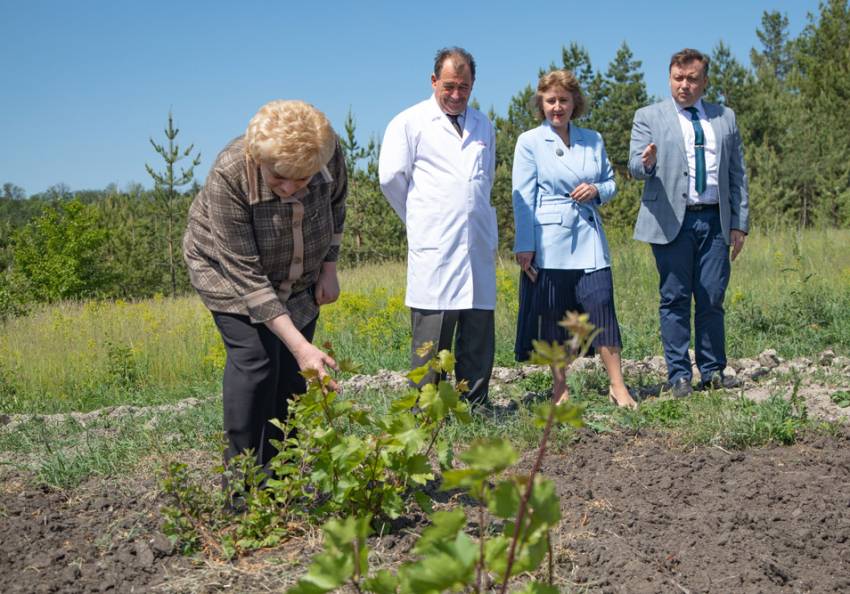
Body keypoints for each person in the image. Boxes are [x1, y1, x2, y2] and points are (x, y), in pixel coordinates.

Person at [183, 99, 347, 472]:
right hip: (229, 273)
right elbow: (247, 277)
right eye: (278, 178)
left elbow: (337, 205)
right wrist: (302, 348)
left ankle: (280, 481)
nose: (289, 188)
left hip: (299, 273)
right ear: (259, 160)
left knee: (290, 376)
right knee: (257, 364)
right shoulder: (230, 173)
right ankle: (243, 487)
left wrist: (329, 268)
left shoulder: (329, 152)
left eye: (302, 179)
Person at [379, 47, 498, 408]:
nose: (457, 95)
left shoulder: (483, 125)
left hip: (476, 244)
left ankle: (475, 408)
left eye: (464, 87)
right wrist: (421, 218)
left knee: (478, 337)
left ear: (473, 85)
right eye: (449, 86)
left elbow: (485, 180)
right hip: (435, 248)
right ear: (433, 81)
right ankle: (427, 414)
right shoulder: (408, 122)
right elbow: (390, 179)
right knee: (432, 341)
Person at [512, 69, 637, 409]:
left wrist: (597, 189)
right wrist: (524, 245)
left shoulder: (592, 138)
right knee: (553, 318)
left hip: (589, 238)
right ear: (541, 103)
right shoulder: (529, 142)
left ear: (574, 102)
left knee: (601, 307)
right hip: (548, 241)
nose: (557, 107)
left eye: (563, 100)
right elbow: (522, 197)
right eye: (550, 100)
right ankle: (560, 389)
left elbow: (611, 183)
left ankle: (618, 386)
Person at [629, 48, 749, 398]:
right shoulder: (648, 116)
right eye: (678, 78)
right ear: (669, 78)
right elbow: (636, 168)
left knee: (712, 296)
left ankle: (712, 371)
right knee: (675, 297)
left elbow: (737, 174)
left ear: (704, 82)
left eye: (692, 79)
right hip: (670, 221)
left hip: (715, 220)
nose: (684, 85)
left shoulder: (724, 117)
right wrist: (646, 162)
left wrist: (739, 223)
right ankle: (679, 375)